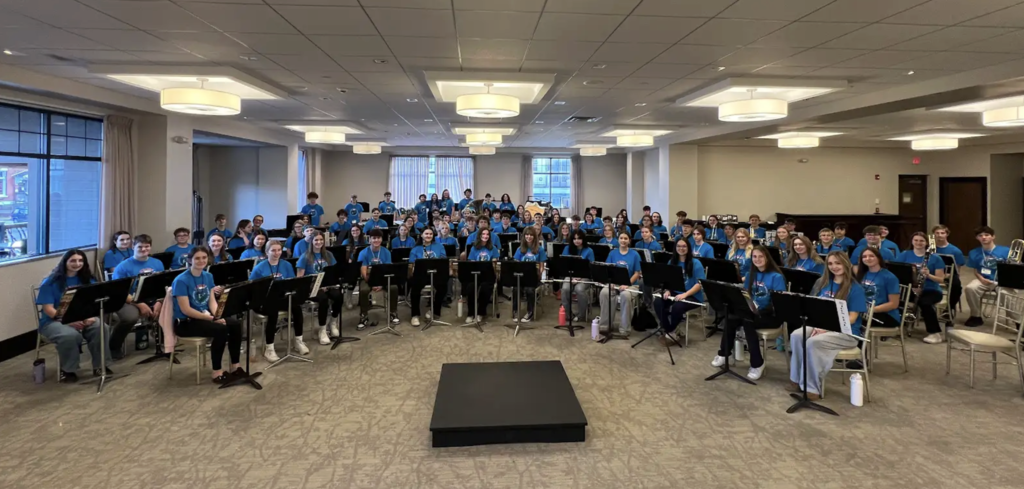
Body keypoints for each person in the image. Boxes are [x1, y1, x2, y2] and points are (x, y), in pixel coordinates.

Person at [789, 251, 867, 399]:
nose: (834, 267)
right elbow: (813, 306)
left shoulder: (855, 288)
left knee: (813, 342)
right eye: (830, 263)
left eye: (838, 263)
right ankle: (796, 379)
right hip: (820, 325)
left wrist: (825, 329)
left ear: (846, 264)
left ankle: (811, 388)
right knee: (797, 335)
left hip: (846, 332)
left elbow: (851, 318)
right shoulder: (822, 283)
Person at [170, 246, 244, 383]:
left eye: (204, 257)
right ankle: (217, 372)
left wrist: (218, 316)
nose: (201, 261)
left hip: (205, 316)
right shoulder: (181, 280)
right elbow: (186, 309)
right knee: (221, 330)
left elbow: (212, 302)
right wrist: (212, 319)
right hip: (186, 322)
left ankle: (235, 366)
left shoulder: (208, 276)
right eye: (197, 258)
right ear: (190, 260)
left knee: (235, 325)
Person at [711, 246, 785, 380]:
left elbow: (779, 303)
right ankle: (724, 353)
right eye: (754, 257)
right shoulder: (751, 274)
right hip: (751, 312)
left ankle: (757, 363)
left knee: (747, 321)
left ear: (767, 258)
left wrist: (759, 308)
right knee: (731, 317)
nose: (757, 259)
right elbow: (745, 296)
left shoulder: (776, 276)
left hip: (770, 315)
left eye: (761, 256)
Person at [36, 250, 110, 383]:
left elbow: (93, 303)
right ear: (65, 262)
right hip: (54, 321)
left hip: (83, 317)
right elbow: (48, 309)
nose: (77, 264)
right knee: (69, 335)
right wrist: (68, 320)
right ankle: (68, 370)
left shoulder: (88, 279)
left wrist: (90, 316)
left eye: (80, 261)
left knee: (101, 327)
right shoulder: (50, 282)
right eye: (73, 261)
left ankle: (100, 366)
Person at [111, 234, 165, 359]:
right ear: (133, 247)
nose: (144, 250)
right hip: (128, 299)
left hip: (151, 297)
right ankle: (114, 346)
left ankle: (162, 336)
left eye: (147, 247)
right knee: (130, 317)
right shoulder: (123, 266)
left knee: (171, 307)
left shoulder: (157, 263)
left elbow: (161, 285)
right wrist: (139, 304)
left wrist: (159, 301)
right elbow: (119, 291)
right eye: (140, 247)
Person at [249, 240, 305, 361]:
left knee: (296, 308)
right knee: (272, 312)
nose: (277, 253)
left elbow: (292, 283)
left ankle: (298, 341)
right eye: (273, 250)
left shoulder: (286, 265)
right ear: (267, 252)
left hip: (281, 297)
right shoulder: (259, 268)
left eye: (279, 250)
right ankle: (269, 348)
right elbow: (252, 288)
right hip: (263, 301)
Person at [896, 232, 947, 343]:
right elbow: (897, 273)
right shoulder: (904, 254)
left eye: (921, 241)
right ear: (912, 241)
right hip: (909, 288)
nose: (918, 243)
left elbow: (941, 280)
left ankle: (935, 333)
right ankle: (897, 327)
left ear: (926, 243)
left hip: (930, 289)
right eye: (916, 240)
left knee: (925, 303)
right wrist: (913, 287)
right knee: (894, 299)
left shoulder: (935, 258)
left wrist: (929, 275)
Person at [655, 239, 705, 346]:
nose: (681, 249)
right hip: (675, 292)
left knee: (678, 307)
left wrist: (685, 295)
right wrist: (668, 290)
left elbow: (699, 284)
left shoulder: (696, 263)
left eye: (684, 246)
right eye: (678, 246)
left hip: (692, 295)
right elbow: (668, 280)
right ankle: (670, 330)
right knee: (658, 302)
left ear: (688, 248)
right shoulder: (672, 262)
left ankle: (670, 330)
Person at [296, 231, 341, 345]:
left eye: (321, 240)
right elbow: (300, 278)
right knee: (323, 299)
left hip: (327, 285)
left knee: (338, 296)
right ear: (311, 242)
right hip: (312, 288)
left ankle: (333, 322)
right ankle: (322, 329)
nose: (319, 242)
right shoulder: (305, 256)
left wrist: (329, 284)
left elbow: (333, 272)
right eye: (316, 240)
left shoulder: (328, 255)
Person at [964, 226, 1013, 327]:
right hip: (984, 279)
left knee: (1007, 294)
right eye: (980, 236)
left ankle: (1018, 322)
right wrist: (981, 278)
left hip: (1001, 281)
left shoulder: (1006, 251)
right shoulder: (973, 252)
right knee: (970, 288)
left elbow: (1012, 269)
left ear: (993, 237)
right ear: (977, 238)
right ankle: (975, 316)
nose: (984, 237)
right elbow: (976, 269)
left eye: (987, 235)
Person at [598, 232, 642, 339]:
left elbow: (637, 273)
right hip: (614, 283)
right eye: (621, 238)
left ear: (629, 240)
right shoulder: (612, 253)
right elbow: (608, 269)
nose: (623, 240)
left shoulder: (635, 254)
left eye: (625, 238)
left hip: (631, 285)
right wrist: (611, 282)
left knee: (625, 296)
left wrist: (627, 284)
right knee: (604, 292)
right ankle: (605, 325)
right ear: (618, 240)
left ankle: (625, 328)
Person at [357, 229, 399, 329]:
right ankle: (364, 315)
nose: (376, 240)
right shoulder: (363, 253)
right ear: (370, 240)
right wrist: (372, 283)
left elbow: (388, 270)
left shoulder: (386, 252)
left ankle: (393, 312)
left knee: (394, 288)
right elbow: (363, 271)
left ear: (381, 239)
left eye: (378, 238)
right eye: (374, 238)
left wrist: (380, 283)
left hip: (383, 278)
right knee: (363, 290)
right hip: (368, 279)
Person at [407, 227, 447, 327]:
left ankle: (434, 310)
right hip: (421, 275)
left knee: (443, 287)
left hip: (436, 273)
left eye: (430, 234)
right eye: (426, 234)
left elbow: (443, 260)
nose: (428, 236)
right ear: (421, 235)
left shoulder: (439, 246)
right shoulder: (416, 249)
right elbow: (411, 264)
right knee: (415, 289)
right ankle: (415, 315)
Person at [855, 247, 903, 331]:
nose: (868, 259)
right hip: (865, 312)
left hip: (886, 315)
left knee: (852, 321)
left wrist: (870, 310)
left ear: (878, 258)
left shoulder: (890, 277)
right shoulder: (862, 274)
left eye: (871, 256)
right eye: (864, 256)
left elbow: (894, 304)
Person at [462, 228, 500, 322]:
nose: (485, 236)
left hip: (488, 275)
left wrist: (494, 262)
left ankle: (481, 312)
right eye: (483, 234)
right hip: (475, 273)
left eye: (487, 234)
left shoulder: (493, 248)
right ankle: (471, 313)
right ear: (479, 235)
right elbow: (471, 262)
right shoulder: (474, 248)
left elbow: (495, 263)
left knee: (485, 288)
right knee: (470, 287)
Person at [511, 227, 547, 322]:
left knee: (530, 290)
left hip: (534, 278)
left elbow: (542, 266)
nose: (529, 236)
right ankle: (515, 310)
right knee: (515, 288)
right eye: (527, 234)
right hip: (521, 277)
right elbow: (515, 265)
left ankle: (530, 312)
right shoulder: (519, 249)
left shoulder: (540, 249)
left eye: (531, 235)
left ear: (534, 236)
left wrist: (539, 274)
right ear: (524, 236)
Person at [560, 230, 595, 321]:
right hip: (570, 275)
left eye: (579, 238)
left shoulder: (589, 251)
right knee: (565, 289)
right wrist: (572, 277)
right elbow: (564, 265)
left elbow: (591, 268)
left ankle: (581, 315)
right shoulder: (567, 249)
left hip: (585, 276)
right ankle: (568, 314)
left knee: (579, 289)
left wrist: (579, 278)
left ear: (583, 239)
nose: (577, 240)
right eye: (574, 238)